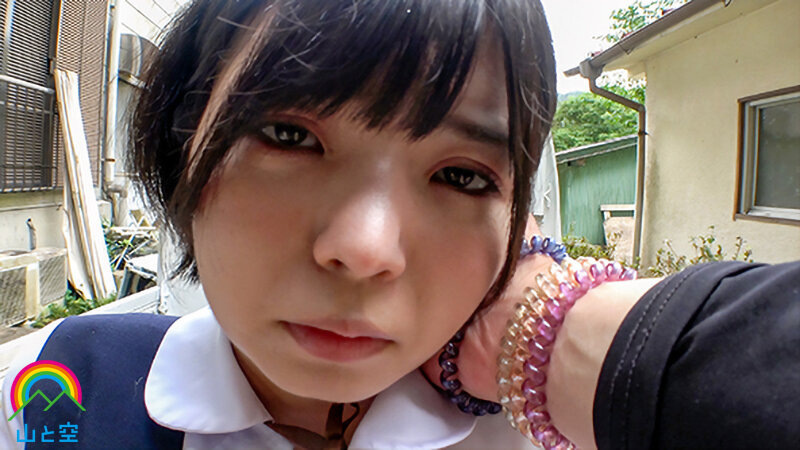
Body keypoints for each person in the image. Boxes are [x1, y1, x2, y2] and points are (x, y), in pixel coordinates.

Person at [3, 1, 799, 449]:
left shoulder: (550, 433)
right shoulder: (61, 393)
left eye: (462, 176)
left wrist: (551, 333)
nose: (364, 250)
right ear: (182, 144)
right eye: (289, 136)